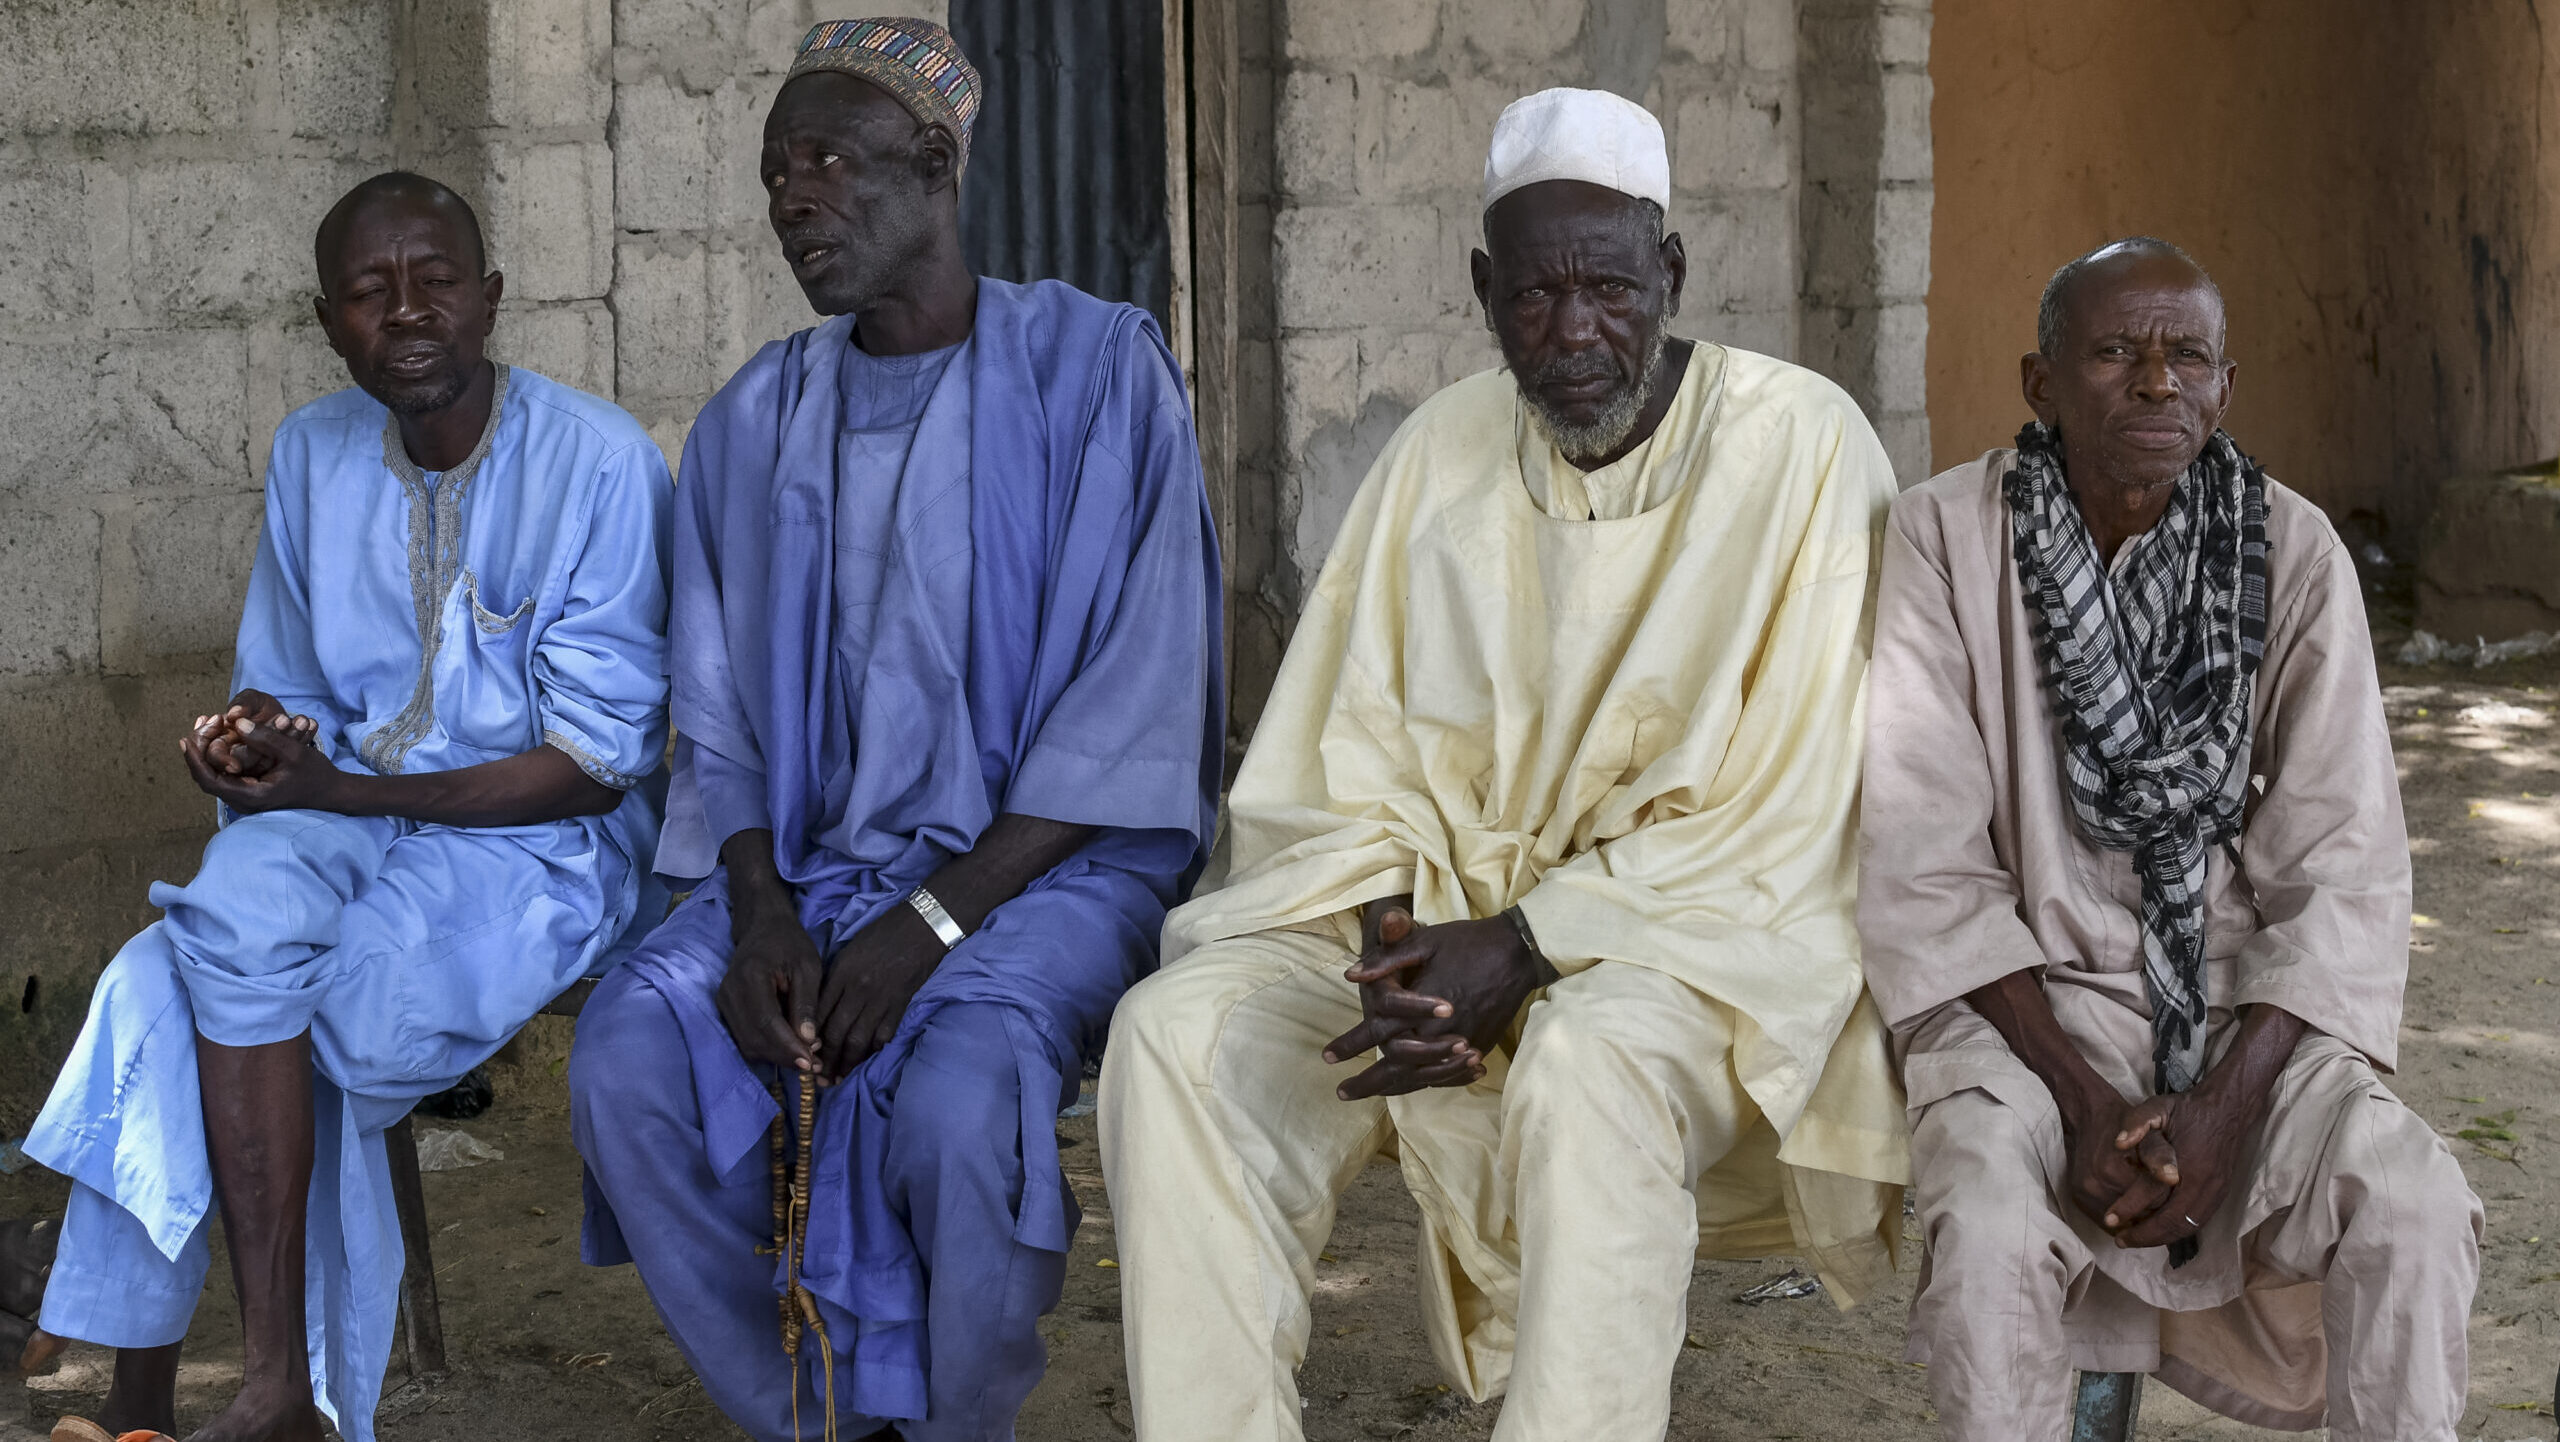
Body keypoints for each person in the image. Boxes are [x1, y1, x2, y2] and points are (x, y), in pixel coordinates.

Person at [1099, 87, 1909, 1442]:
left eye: (1609, 286)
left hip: (1693, 946)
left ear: (1673, 272)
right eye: (1536, 295)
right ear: (1485, 291)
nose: (1575, 332)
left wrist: (1527, 942)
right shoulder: (1439, 452)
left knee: (1590, 1059)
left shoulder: (1806, 447)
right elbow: (1339, 764)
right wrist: (1397, 946)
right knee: (1175, 1036)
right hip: (1434, 926)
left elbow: (1792, 813)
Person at [565, 18, 1222, 1442]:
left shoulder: (1099, 373)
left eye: (829, 161)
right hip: (802, 868)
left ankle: (949, 1417)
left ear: (934, 164)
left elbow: (1139, 701)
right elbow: (719, 710)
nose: (794, 198)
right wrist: (755, 908)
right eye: (772, 172)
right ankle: (811, 1403)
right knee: (629, 1047)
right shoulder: (754, 418)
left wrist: (930, 920)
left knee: (958, 1090)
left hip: (1044, 876)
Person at [17, 171, 674, 1442]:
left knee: (268, 1008)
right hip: (341, 818)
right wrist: (255, 747)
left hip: (540, 845)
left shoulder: (596, 459)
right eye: (371, 291)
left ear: (489, 300)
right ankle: (165, 1407)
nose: (409, 310)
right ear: (329, 322)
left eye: (436, 280)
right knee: (205, 938)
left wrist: (335, 782)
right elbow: (294, 689)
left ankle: (276, 1391)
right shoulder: (313, 450)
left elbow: (598, 763)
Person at [1859, 237, 2481, 1440]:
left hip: (2244, 1012)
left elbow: (2342, 867)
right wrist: (2086, 1097)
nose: (2154, 383)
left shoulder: (2290, 551)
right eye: (2113, 353)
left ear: (2222, 388)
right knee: (1987, 1223)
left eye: (2183, 355)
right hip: (2018, 1012)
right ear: (2040, 384)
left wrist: (2226, 1105)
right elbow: (1924, 860)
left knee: (2410, 1197)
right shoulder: (1944, 536)